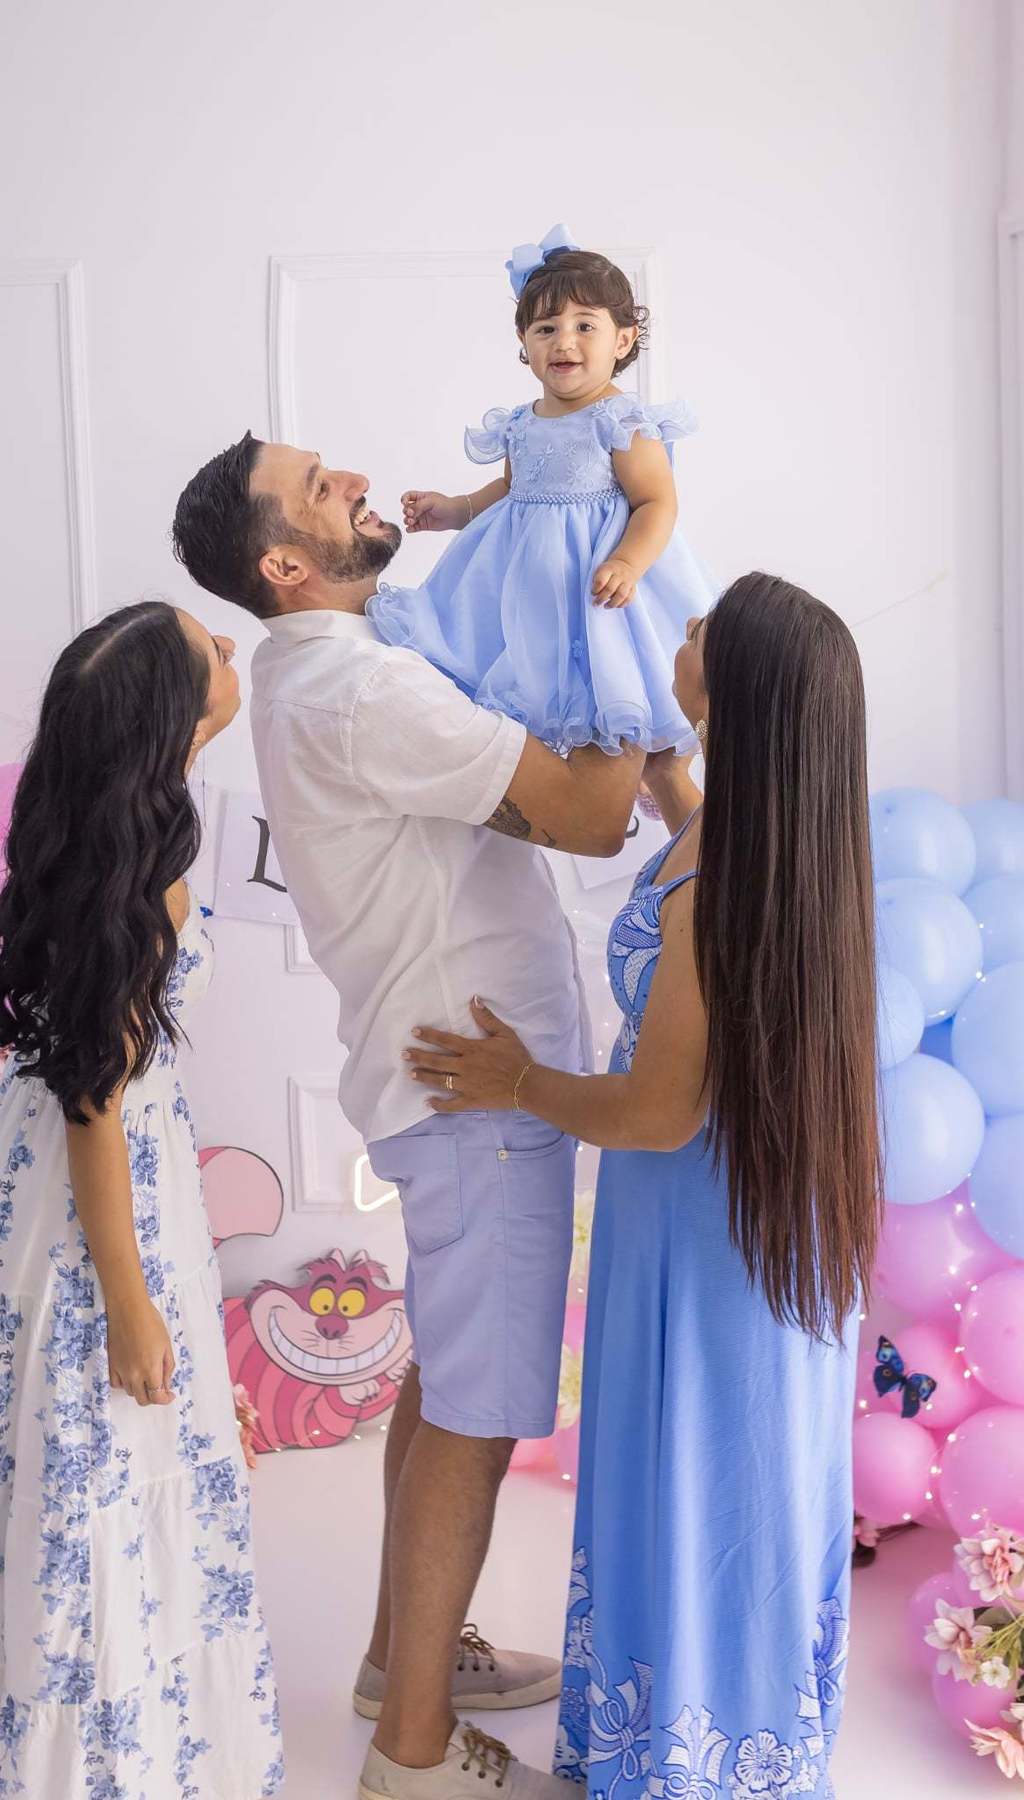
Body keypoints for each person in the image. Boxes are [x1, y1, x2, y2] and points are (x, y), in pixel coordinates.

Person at [172, 438, 676, 1797]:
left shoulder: (330, 670)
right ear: (286, 564)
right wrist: (620, 633)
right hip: (477, 1096)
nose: (351, 478)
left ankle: (402, 1661)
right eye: (317, 486)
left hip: (449, 1083)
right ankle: (412, 1755)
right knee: (479, 1412)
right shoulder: (358, 687)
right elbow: (588, 815)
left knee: (447, 1380)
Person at [403, 573, 881, 1800]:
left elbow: (663, 1109)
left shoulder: (719, 887)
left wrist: (518, 1080)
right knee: (745, 1472)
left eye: (703, 631)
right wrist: (673, 785)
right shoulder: (780, 839)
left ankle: (687, 1755)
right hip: (753, 1223)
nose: (682, 632)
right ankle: (733, 1738)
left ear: (737, 694)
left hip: (697, 1229)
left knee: (700, 1470)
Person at [0, 603, 284, 1799]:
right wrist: (132, 1303)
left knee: (90, 1449)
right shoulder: (141, 878)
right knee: (101, 1443)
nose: (231, 651)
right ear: (171, 720)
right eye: (209, 652)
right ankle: (100, 1756)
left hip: (87, 1166)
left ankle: (122, 1739)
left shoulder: (118, 832)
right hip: (101, 1181)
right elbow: (94, 1101)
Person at [368, 224, 715, 757]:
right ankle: (556, 776)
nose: (564, 341)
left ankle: (637, 772)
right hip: (529, 591)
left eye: (584, 325)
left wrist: (628, 562)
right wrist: (455, 509)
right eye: (546, 328)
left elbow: (656, 502)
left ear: (622, 340)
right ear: (524, 342)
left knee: (610, 692)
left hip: (600, 588)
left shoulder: (620, 421)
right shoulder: (521, 422)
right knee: (529, 689)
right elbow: (511, 490)